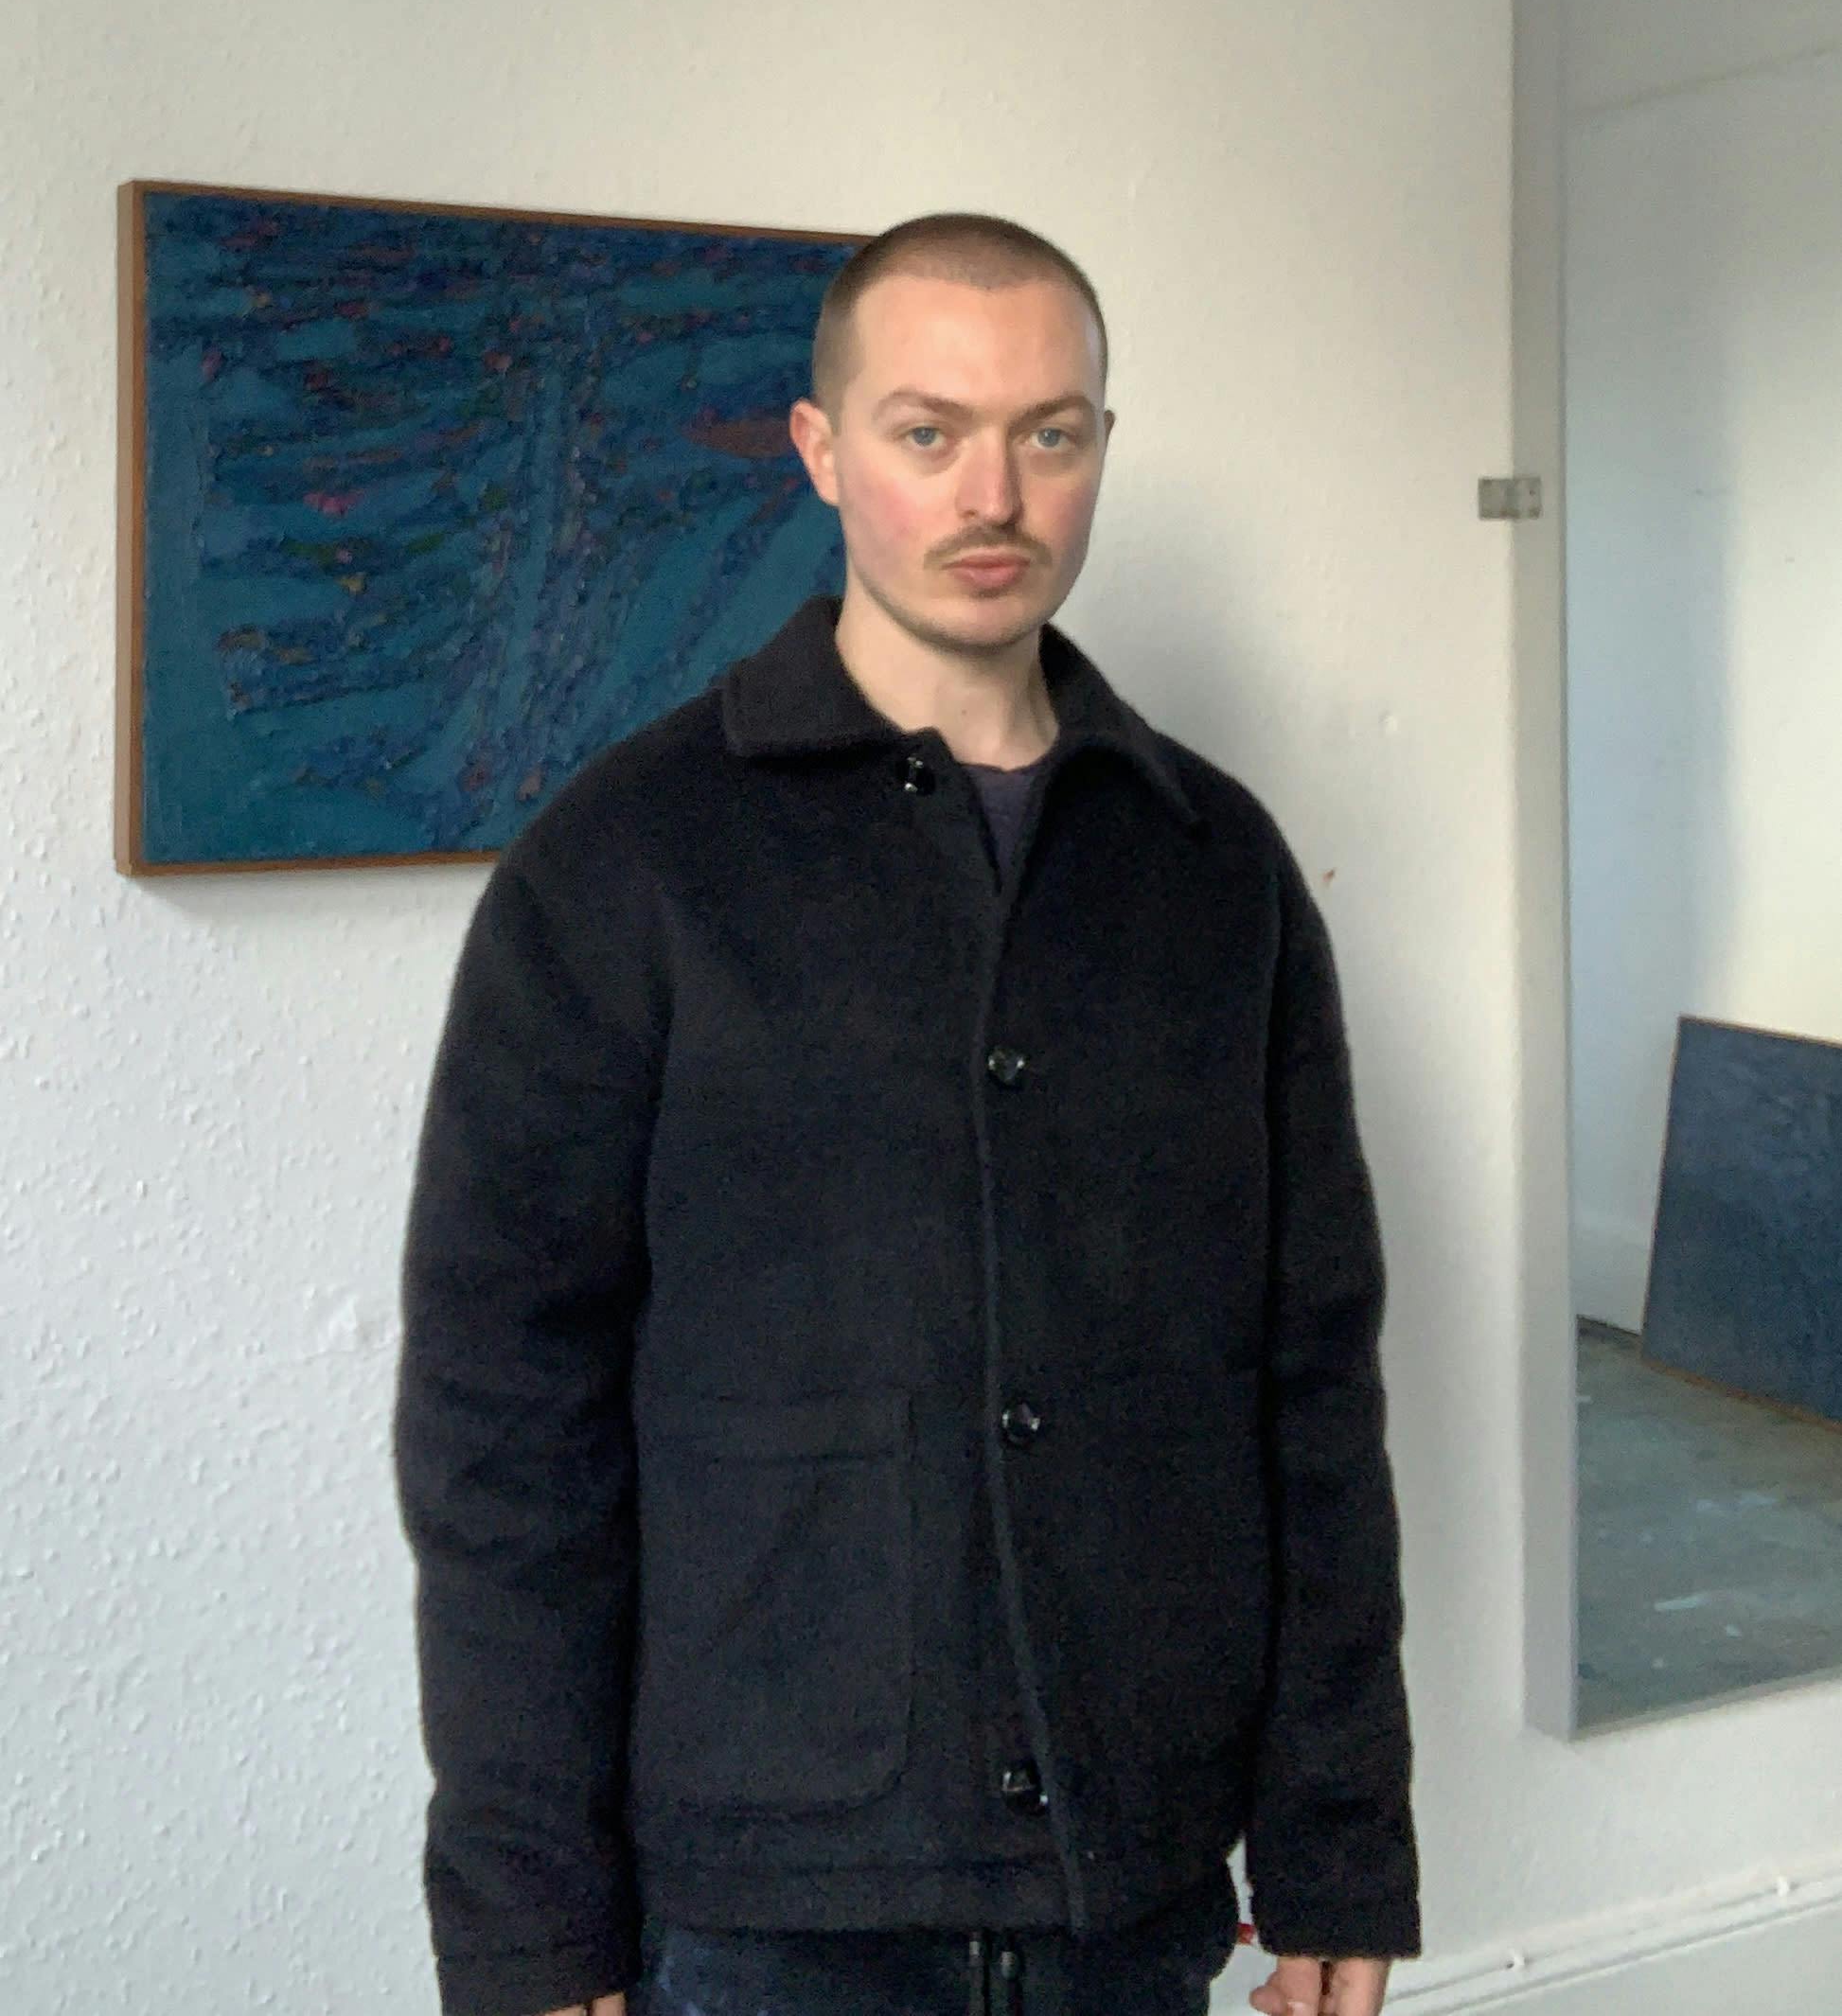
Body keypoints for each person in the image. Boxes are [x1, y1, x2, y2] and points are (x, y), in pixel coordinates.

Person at [391, 212, 1421, 2016]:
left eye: (1050, 430)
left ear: (1101, 446)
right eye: (927, 430)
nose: (993, 491)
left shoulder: (1216, 871)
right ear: (820, 450)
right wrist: (525, 1919)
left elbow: (1310, 1376)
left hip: (1143, 1868)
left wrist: (1339, 1832)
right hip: (762, 1892)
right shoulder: (626, 865)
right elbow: (502, 1421)